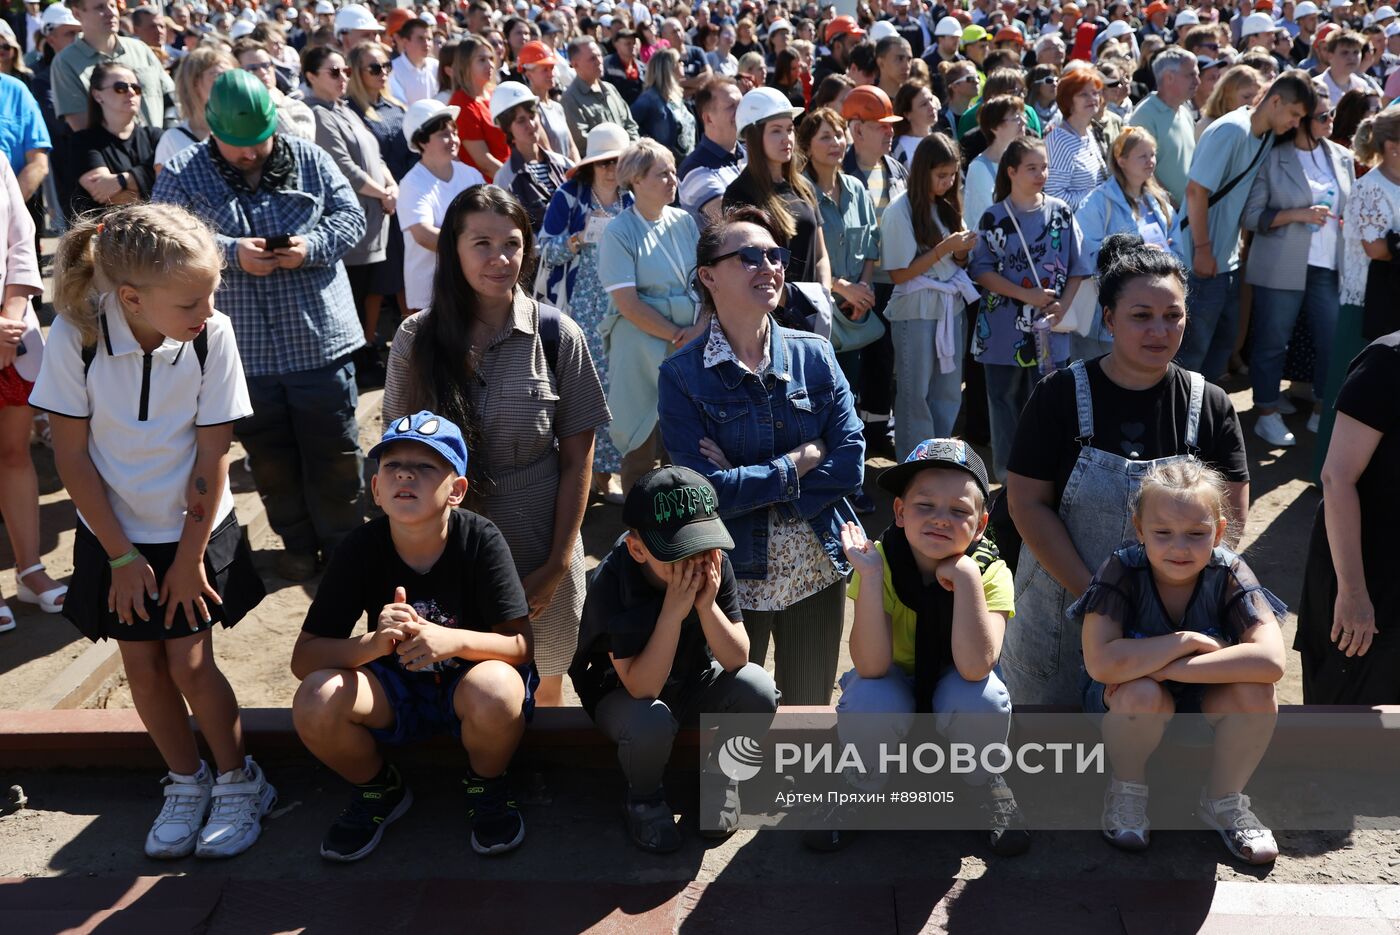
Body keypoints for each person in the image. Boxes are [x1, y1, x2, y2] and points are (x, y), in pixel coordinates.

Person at [34, 204, 271, 859]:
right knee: (141, 664)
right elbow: (71, 457)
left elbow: (212, 455)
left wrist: (189, 560)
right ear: (131, 298)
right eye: (191, 301)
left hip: (194, 526)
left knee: (190, 662)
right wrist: (120, 556)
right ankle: (186, 780)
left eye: (212, 293)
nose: (208, 310)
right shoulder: (76, 335)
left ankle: (238, 779)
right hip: (113, 532)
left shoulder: (212, 334)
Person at [382, 185, 609, 709]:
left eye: (512, 244)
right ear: (453, 250)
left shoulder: (557, 335)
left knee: (544, 678)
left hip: (537, 541)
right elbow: (397, 453)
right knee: (453, 683)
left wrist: (556, 564)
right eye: (481, 243)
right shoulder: (415, 339)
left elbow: (578, 458)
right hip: (443, 545)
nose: (500, 259)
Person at [1003, 234, 1250, 706]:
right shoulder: (1059, 396)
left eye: (1173, 316)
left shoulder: (1211, 405)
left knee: (1147, 741)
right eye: (1141, 316)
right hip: (1058, 614)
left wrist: (1163, 607)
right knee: (1049, 744)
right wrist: (1103, 602)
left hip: (1166, 630)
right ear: (1109, 319)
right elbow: (1026, 504)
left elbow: (1230, 518)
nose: (1159, 330)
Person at [152, 70, 368, 583]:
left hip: (318, 342)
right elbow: (163, 242)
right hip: (243, 355)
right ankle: (298, 545)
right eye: (237, 144)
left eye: (258, 141)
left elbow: (352, 217)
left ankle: (345, 550)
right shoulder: (182, 173)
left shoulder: (310, 158)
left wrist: (310, 247)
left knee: (336, 453)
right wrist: (229, 253)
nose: (250, 153)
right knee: (270, 462)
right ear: (212, 130)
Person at [291, 411, 534, 861]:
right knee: (315, 698)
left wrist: (454, 641)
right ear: (376, 489)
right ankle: (378, 789)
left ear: (456, 490)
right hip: (392, 687)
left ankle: (486, 783)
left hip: (467, 684)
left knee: (499, 689)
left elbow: (520, 647)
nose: (405, 474)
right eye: (392, 465)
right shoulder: (358, 548)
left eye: (425, 466)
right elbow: (304, 659)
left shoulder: (481, 539)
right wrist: (372, 644)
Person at [657, 205, 864, 706]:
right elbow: (702, 494)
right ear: (708, 276)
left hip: (816, 567)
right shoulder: (681, 375)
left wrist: (741, 479)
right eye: (749, 257)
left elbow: (851, 461)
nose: (769, 267)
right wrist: (797, 463)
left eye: (776, 256)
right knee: (734, 718)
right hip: (728, 574)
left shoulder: (816, 354)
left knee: (807, 714)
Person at [1074, 459, 1284, 865]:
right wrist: (1186, 641)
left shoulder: (1229, 572)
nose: (1180, 547)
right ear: (1139, 530)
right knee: (1139, 692)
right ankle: (1127, 790)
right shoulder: (1121, 569)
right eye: (1163, 533)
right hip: (1125, 703)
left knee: (1257, 692)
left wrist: (1165, 667)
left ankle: (1223, 800)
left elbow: (1271, 660)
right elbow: (1100, 663)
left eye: (1196, 534)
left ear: (1218, 532)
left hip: (1201, 703)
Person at [830, 440, 1029, 856]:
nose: (941, 519)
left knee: (985, 697)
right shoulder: (878, 562)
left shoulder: (991, 570)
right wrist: (869, 577)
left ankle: (982, 781)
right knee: (868, 697)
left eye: (958, 511)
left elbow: (975, 668)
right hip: (894, 681)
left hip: (956, 683)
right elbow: (870, 665)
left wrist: (967, 577)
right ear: (900, 511)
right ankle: (862, 782)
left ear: (980, 525)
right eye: (925, 506)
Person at [569, 465, 779, 853]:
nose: (695, 562)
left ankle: (721, 779)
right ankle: (644, 799)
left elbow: (738, 658)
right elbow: (641, 687)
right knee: (650, 720)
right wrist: (672, 613)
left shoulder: (714, 562)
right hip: (626, 697)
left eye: (702, 546)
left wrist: (706, 607)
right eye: (678, 553)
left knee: (758, 687)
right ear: (638, 549)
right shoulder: (616, 579)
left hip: (691, 679)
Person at [1172, 71, 1316, 382]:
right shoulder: (1231, 130)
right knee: (1192, 354)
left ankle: (1203, 409)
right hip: (1199, 261)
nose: (1295, 123)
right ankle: (1179, 411)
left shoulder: (1264, 135)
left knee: (1222, 348)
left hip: (1226, 262)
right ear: (1275, 101)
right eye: (1294, 114)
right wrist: (1203, 249)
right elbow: (1196, 191)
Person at [968, 137, 1091, 481]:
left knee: (1048, 402)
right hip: (1001, 331)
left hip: (1051, 327)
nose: (1041, 175)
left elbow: (1079, 266)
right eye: (1032, 168)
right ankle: (1008, 477)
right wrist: (1027, 296)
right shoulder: (993, 216)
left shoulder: (1061, 212)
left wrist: (1062, 306)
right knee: (1003, 402)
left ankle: (1043, 474)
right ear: (1011, 172)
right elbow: (980, 270)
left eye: (1044, 167)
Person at [1241, 93, 1352, 448]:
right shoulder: (1273, 157)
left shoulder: (1342, 156)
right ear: (1301, 120)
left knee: (1332, 340)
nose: (1330, 120)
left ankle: (1322, 406)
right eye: (1322, 115)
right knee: (1273, 341)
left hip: (1328, 265)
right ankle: (1266, 413)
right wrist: (1297, 215)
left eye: (1332, 113)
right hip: (1281, 264)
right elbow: (1251, 216)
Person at [1298, 328, 1400, 704]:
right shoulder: (1388, 362)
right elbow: (1337, 478)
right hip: (1366, 577)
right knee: (1344, 723)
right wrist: (1354, 593)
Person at [598, 139, 701, 491]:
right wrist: (677, 333)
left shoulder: (684, 221)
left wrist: (698, 329)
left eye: (674, 171)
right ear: (636, 180)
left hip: (689, 341)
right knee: (639, 440)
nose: (673, 180)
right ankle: (638, 519)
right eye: (662, 174)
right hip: (639, 346)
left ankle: (685, 516)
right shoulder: (619, 231)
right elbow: (628, 303)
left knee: (685, 436)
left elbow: (706, 283)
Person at [538, 122, 632, 504]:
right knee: (584, 392)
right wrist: (576, 239)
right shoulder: (569, 197)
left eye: (618, 161)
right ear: (591, 165)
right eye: (605, 162)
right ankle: (584, 474)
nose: (611, 169)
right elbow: (544, 248)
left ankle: (606, 475)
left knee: (619, 391)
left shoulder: (631, 198)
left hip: (622, 306)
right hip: (579, 309)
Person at [880, 133, 981, 457]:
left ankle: (938, 459)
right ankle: (914, 465)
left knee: (948, 390)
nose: (948, 181)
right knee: (916, 393)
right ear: (923, 171)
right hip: (915, 311)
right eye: (941, 175)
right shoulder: (900, 209)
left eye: (952, 174)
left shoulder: (947, 204)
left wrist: (962, 251)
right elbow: (899, 274)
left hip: (950, 307)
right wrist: (945, 249)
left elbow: (957, 261)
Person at [305, 45, 397, 387]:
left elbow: (376, 156)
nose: (343, 77)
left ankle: (365, 356)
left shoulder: (344, 108)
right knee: (355, 297)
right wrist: (383, 193)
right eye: (334, 72)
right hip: (353, 225)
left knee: (369, 292)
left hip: (375, 219)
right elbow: (343, 167)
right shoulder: (317, 114)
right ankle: (355, 367)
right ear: (311, 76)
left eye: (345, 71)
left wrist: (391, 185)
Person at [1317, 110, 1400, 474]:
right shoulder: (1370, 187)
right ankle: (1330, 475)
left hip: (1391, 301)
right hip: (1365, 305)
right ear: (1393, 146)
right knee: (1351, 393)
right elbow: (1376, 248)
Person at [0, 157, 62, 630]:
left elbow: (21, 239)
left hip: (11, 337)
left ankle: (30, 570)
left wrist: (11, 316)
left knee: (14, 454)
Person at [1076, 126, 1177, 361]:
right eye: (1142, 156)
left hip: (1153, 316)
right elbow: (1083, 255)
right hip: (1104, 324)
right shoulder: (1097, 202)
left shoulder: (1160, 201)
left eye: (1152, 154)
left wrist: (1166, 258)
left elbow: (1179, 251)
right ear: (1121, 160)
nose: (1150, 161)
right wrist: (1135, 253)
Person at [797, 106, 879, 380]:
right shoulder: (799, 194)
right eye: (825, 137)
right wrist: (841, 287)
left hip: (855, 314)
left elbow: (871, 244)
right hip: (816, 315)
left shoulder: (856, 188)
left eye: (839, 135)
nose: (836, 143)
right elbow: (802, 259)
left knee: (852, 392)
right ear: (807, 146)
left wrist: (862, 291)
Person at [346, 40, 414, 354]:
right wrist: (386, 192)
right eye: (374, 68)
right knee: (379, 281)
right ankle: (368, 347)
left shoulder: (396, 107)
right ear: (357, 73)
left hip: (405, 197)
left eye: (386, 66)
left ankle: (414, 339)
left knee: (405, 275)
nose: (383, 72)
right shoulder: (350, 112)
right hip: (376, 203)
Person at [396, 99, 484, 317]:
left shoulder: (471, 175)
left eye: (454, 132)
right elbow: (424, 235)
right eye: (444, 134)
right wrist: (474, 247)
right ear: (422, 141)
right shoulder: (412, 184)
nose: (453, 139)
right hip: (431, 296)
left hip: (472, 287)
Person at [60, 62, 162, 219]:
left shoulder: (156, 137)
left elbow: (171, 182)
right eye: (120, 87)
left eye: (136, 88)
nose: (131, 92)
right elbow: (107, 195)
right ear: (97, 95)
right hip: (107, 231)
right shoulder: (83, 142)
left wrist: (121, 180)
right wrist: (150, 182)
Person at [51, 0, 173, 132]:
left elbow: (171, 100)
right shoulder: (66, 62)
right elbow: (82, 126)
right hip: (108, 145)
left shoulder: (140, 49)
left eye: (113, 5)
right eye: (100, 7)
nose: (111, 13)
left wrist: (167, 138)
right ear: (77, 14)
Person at [490, 82, 570, 230]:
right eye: (521, 121)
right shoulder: (504, 179)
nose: (531, 125)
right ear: (507, 128)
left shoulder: (564, 164)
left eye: (532, 116)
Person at [1128, 46, 1199, 206]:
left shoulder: (1184, 111)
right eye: (1191, 75)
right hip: (1163, 214)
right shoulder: (1144, 116)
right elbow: (1142, 173)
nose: (1197, 81)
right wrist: (1172, 207)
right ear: (1169, 77)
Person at [154, 47, 235, 171]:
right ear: (194, 82)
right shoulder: (173, 140)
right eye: (219, 76)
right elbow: (163, 182)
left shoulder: (245, 128)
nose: (228, 83)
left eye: (232, 76)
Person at [678, 76, 743, 225]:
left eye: (742, 105)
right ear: (708, 118)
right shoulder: (693, 169)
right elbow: (733, 221)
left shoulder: (751, 153)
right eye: (731, 106)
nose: (741, 112)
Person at [1045, 66, 1108, 209]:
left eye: (1095, 93)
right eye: (1083, 94)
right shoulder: (1059, 140)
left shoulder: (1089, 132)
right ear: (1068, 100)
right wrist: (1097, 198)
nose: (1092, 98)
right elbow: (1055, 196)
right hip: (1075, 221)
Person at [562, 37, 638, 153]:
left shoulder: (610, 89)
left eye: (599, 55)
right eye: (592, 58)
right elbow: (582, 142)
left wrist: (630, 151)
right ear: (575, 64)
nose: (599, 61)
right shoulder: (570, 99)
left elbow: (630, 125)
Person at [233, 37, 316, 142]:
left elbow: (302, 144)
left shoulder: (296, 107)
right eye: (252, 68)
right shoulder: (230, 111)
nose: (263, 72)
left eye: (266, 65)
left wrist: (274, 106)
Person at [963, 95, 1027, 230]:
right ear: (995, 127)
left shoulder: (1023, 160)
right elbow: (989, 216)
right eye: (1016, 118)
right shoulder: (979, 168)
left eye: (1023, 116)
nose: (1023, 122)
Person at [449, 33, 508, 179]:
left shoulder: (495, 94)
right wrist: (518, 181)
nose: (490, 65)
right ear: (465, 65)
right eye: (482, 60)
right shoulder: (461, 103)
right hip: (488, 186)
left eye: (491, 59)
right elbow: (484, 163)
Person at [519, 39, 578, 162]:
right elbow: (547, 152)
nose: (551, 74)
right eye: (544, 70)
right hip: (554, 172)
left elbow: (571, 146)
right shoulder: (530, 111)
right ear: (529, 75)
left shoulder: (557, 107)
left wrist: (578, 169)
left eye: (551, 68)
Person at [631, 47, 696, 158]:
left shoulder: (676, 96)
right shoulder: (649, 99)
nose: (683, 63)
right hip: (665, 164)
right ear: (668, 67)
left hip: (687, 162)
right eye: (679, 61)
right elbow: (631, 126)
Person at [1195, 64, 1267, 140]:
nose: (1252, 102)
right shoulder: (1209, 125)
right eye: (1246, 97)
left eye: (1257, 97)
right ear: (1227, 95)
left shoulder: (1256, 127)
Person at [388, 14, 438, 105]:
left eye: (429, 39)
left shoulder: (436, 66)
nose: (427, 44)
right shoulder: (393, 70)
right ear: (405, 42)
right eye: (420, 39)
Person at [891, 78, 940, 168]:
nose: (932, 106)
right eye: (924, 104)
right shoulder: (898, 148)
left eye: (931, 100)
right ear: (907, 114)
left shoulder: (940, 141)